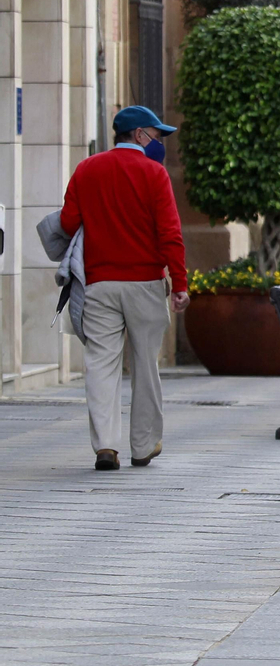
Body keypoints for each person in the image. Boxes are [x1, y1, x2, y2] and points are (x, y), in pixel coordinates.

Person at [59, 106, 189, 471]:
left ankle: (105, 446)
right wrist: (179, 284)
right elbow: (170, 235)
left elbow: (69, 222)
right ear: (139, 135)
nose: (160, 143)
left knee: (100, 364)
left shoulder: (86, 169)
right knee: (146, 365)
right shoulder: (154, 173)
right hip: (145, 284)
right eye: (157, 136)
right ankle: (143, 446)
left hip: (99, 284)